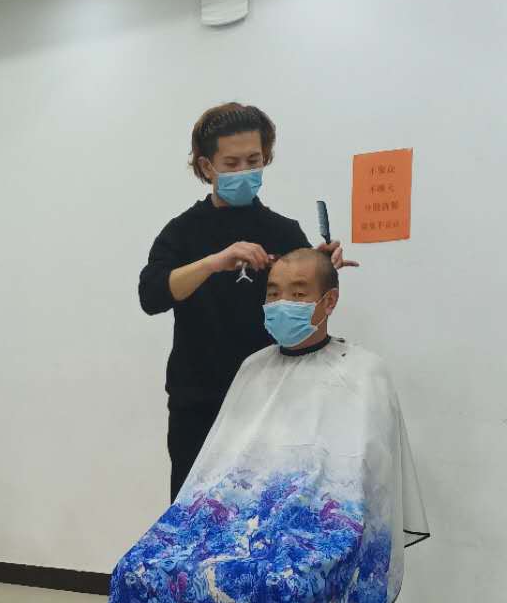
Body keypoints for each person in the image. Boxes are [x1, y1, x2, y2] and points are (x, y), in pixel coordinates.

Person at [96, 249, 428, 603]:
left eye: (298, 293)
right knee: (144, 568)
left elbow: (366, 480)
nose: (281, 303)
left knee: (282, 580)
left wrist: (300, 513)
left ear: (328, 301)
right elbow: (221, 464)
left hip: (321, 522)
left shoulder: (364, 373)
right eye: (273, 293)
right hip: (231, 517)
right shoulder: (254, 368)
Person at [139, 102, 357, 504]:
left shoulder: (282, 231)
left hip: (273, 400)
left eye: (254, 161)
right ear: (207, 166)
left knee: (268, 512)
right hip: (200, 404)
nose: (245, 171)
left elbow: (308, 303)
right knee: (195, 515)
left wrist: (321, 266)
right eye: (232, 163)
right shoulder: (182, 232)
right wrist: (212, 263)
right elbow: (151, 295)